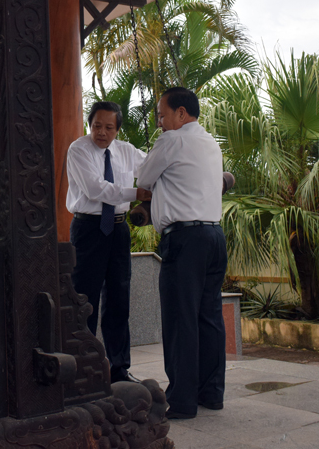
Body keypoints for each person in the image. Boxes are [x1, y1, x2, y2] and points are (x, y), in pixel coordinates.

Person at [137, 87, 227, 419]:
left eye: (162, 115)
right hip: (215, 236)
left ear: (181, 114)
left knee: (180, 319)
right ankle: (211, 394)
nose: (159, 122)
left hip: (185, 240)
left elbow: (144, 178)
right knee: (209, 318)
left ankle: (183, 401)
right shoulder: (210, 143)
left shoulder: (172, 140)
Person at [66, 101, 151, 383]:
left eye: (109, 127)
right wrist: (135, 191)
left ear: (118, 129)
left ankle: (118, 369)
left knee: (119, 298)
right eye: (96, 126)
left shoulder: (126, 151)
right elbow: (95, 189)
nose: (101, 132)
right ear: (90, 124)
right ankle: (83, 367)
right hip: (88, 229)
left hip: (118, 229)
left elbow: (152, 166)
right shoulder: (78, 149)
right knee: (84, 298)